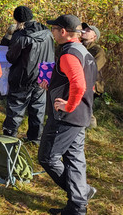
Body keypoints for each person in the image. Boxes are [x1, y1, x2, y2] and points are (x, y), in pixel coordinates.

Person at [39, 14, 97, 215]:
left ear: (62, 31)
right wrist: (53, 82)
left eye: (53, 29)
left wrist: (69, 106)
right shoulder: (84, 52)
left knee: (48, 157)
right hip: (82, 115)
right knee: (74, 159)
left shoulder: (69, 54)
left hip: (67, 117)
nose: (52, 32)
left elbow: (79, 84)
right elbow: (80, 81)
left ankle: (81, 193)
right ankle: (77, 207)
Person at [2, 6, 54, 144]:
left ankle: (9, 137)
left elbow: (10, 57)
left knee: (16, 108)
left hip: (22, 77)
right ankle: (35, 138)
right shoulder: (47, 33)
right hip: (43, 75)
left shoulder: (21, 36)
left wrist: (9, 37)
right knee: (38, 109)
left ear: (18, 20)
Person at [81, 22, 104, 128]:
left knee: (86, 106)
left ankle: (91, 126)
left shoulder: (98, 51)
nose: (84, 31)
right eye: (84, 29)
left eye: (88, 30)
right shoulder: (77, 45)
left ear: (94, 37)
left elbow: (94, 68)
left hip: (93, 83)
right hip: (79, 80)